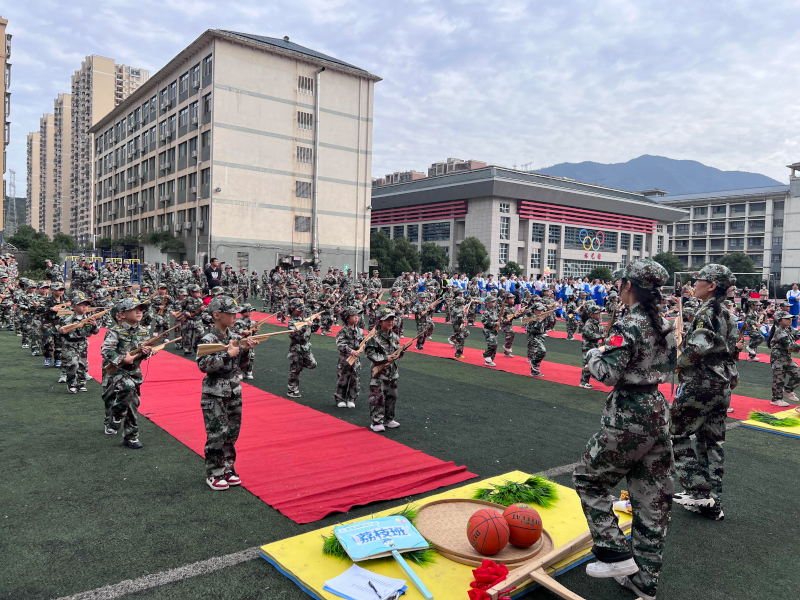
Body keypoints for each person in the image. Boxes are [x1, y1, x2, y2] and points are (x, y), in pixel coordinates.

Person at [573, 259, 677, 600]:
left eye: (621, 283)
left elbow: (608, 374)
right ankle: (645, 583)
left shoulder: (628, 321)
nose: (617, 286)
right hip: (657, 411)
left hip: (629, 415)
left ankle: (614, 551)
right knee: (651, 503)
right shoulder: (662, 321)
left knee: (589, 479)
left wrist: (592, 355)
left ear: (629, 286)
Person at [671, 264, 740, 523]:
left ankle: (699, 491)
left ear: (711, 286)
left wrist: (677, 360)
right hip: (721, 385)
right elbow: (731, 353)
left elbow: (696, 350)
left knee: (675, 433)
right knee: (712, 444)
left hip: (700, 384)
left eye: (699, 279)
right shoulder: (728, 315)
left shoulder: (705, 312)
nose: (694, 283)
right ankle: (714, 503)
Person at [197, 296, 258, 491]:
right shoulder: (208, 339)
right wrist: (227, 353)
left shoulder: (234, 337)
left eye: (235, 312)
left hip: (233, 389)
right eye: (230, 313)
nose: (235, 316)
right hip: (214, 392)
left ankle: (228, 468)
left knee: (232, 432)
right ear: (217, 315)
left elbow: (241, 366)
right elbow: (204, 366)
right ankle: (214, 473)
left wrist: (246, 350)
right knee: (217, 432)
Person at [101, 298, 153, 449]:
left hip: (134, 371)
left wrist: (146, 352)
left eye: (141, 309)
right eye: (134, 309)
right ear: (121, 315)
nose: (139, 312)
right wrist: (123, 358)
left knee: (133, 403)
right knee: (123, 390)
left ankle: (131, 436)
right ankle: (116, 414)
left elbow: (147, 351)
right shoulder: (115, 332)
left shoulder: (143, 331)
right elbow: (106, 351)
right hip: (116, 370)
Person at [364, 307, 403, 432]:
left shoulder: (395, 337)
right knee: (377, 397)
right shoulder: (374, 338)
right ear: (380, 322)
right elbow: (370, 354)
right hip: (379, 373)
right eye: (387, 320)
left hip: (392, 372)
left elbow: (397, 353)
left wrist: (400, 353)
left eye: (392, 319)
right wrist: (386, 358)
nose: (391, 322)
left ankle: (388, 419)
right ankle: (376, 422)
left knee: (392, 396)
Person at [59, 292, 101, 393]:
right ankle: (72, 384)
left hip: (82, 344)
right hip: (70, 344)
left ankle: (81, 384)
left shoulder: (89, 319)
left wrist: (94, 325)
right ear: (74, 306)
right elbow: (61, 332)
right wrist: (62, 331)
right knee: (73, 364)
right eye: (81, 305)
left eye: (86, 305)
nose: (85, 308)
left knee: (83, 364)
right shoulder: (67, 319)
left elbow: (95, 332)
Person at [767, 310, 800, 407]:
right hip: (778, 359)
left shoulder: (788, 328)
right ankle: (776, 399)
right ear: (779, 321)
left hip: (786, 357)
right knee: (779, 379)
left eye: (790, 318)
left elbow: (797, 333)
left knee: (797, 374)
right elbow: (790, 347)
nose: (790, 320)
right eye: (787, 318)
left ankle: (788, 391)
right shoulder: (780, 332)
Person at [286, 298, 318, 398]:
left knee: (312, 364)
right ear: (292, 309)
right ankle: (292, 389)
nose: (301, 311)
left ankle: (300, 364)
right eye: (298, 309)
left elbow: (313, 329)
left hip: (306, 347)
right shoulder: (292, 322)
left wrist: (316, 321)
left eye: (302, 309)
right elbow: (294, 335)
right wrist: (305, 326)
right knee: (295, 370)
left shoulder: (303, 319)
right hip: (296, 348)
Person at [334, 306, 364, 408]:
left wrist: (363, 347)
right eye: (354, 316)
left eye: (357, 316)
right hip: (345, 359)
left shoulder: (360, 331)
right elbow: (340, 344)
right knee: (343, 378)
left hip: (356, 360)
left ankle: (351, 398)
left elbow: (363, 342)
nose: (357, 318)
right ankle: (340, 398)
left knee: (355, 379)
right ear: (347, 318)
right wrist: (351, 351)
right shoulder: (343, 331)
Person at [579, 304, 604, 389]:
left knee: (593, 362)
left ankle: (586, 380)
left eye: (599, 313)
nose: (599, 315)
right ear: (591, 315)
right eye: (597, 313)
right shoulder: (588, 324)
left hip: (595, 344)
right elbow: (591, 335)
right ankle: (584, 382)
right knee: (587, 363)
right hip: (588, 345)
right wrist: (602, 335)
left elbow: (602, 332)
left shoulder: (598, 323)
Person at [525, 302, 547, 378]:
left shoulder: (539, 317)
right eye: (539, 310)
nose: (541, 311)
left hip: (540, 338)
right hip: (533, 338)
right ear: (534, 310)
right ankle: (534, 366)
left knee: (541, 353)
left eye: (542, 310)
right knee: (542, 351)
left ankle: (535, 369)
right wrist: (540, 321)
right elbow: (532, 330)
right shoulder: (531, 318)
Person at [448, 295, 470, 359]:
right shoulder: (459, 309)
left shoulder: (454, 308)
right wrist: (463, 319)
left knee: (466, 333)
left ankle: (454, 339)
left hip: (456, 325)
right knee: (460, 340)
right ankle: (458, 354)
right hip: (458, 325)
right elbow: (459, 317)